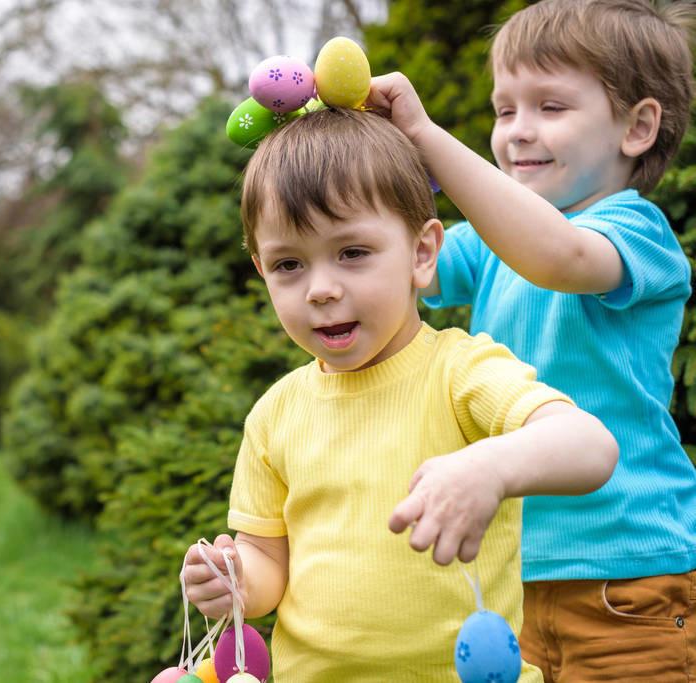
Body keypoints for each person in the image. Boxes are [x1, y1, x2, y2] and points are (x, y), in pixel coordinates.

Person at [180, 107, 618, 682]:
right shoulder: (275, 414)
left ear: (421, 253)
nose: (322, 290)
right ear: (262, 270)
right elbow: (269, 567)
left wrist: (491, 467)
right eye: (289, 264)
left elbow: (591, 448)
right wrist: (234, 577)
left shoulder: (461, 372)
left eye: (352, 252)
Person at [365, 0, 696, 679]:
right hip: (513, 571)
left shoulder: (633, 232)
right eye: (503, 109)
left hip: (625, 575)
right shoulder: (490, 244)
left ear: (636, 127)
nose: (516, 131)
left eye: (549, 107)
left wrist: (427, 135)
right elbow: (401, 264)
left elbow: (558, 258)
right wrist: (356, 155)